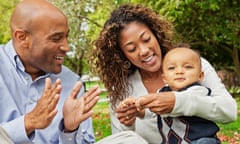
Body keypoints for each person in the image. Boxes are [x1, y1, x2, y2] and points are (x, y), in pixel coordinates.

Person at [0, 1, 148, 144]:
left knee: (130, 140)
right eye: (56, 38)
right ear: (22, 38)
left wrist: (70, 130)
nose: (66, 47)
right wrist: (28, 122)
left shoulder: (71, 82)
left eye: (66, 37)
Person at [91, 4, 237, 144]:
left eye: (146, 39)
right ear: (122, 55)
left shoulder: (191, 65)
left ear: (156, 35)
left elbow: (229, 111)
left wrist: (178, 102)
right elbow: (122, 139)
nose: (144, 51)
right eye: (131, 49)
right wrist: (130, 123)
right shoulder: (123, 91)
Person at [154, 47, 220, 143]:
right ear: (164, 78)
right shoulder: (161, 92)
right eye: (172, 68)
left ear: (200, 76)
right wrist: (139, 109)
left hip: (200, 139)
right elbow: (152, 113)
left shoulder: (198, 91)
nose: (179, 71)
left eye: (188, 67)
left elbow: (182, 102)